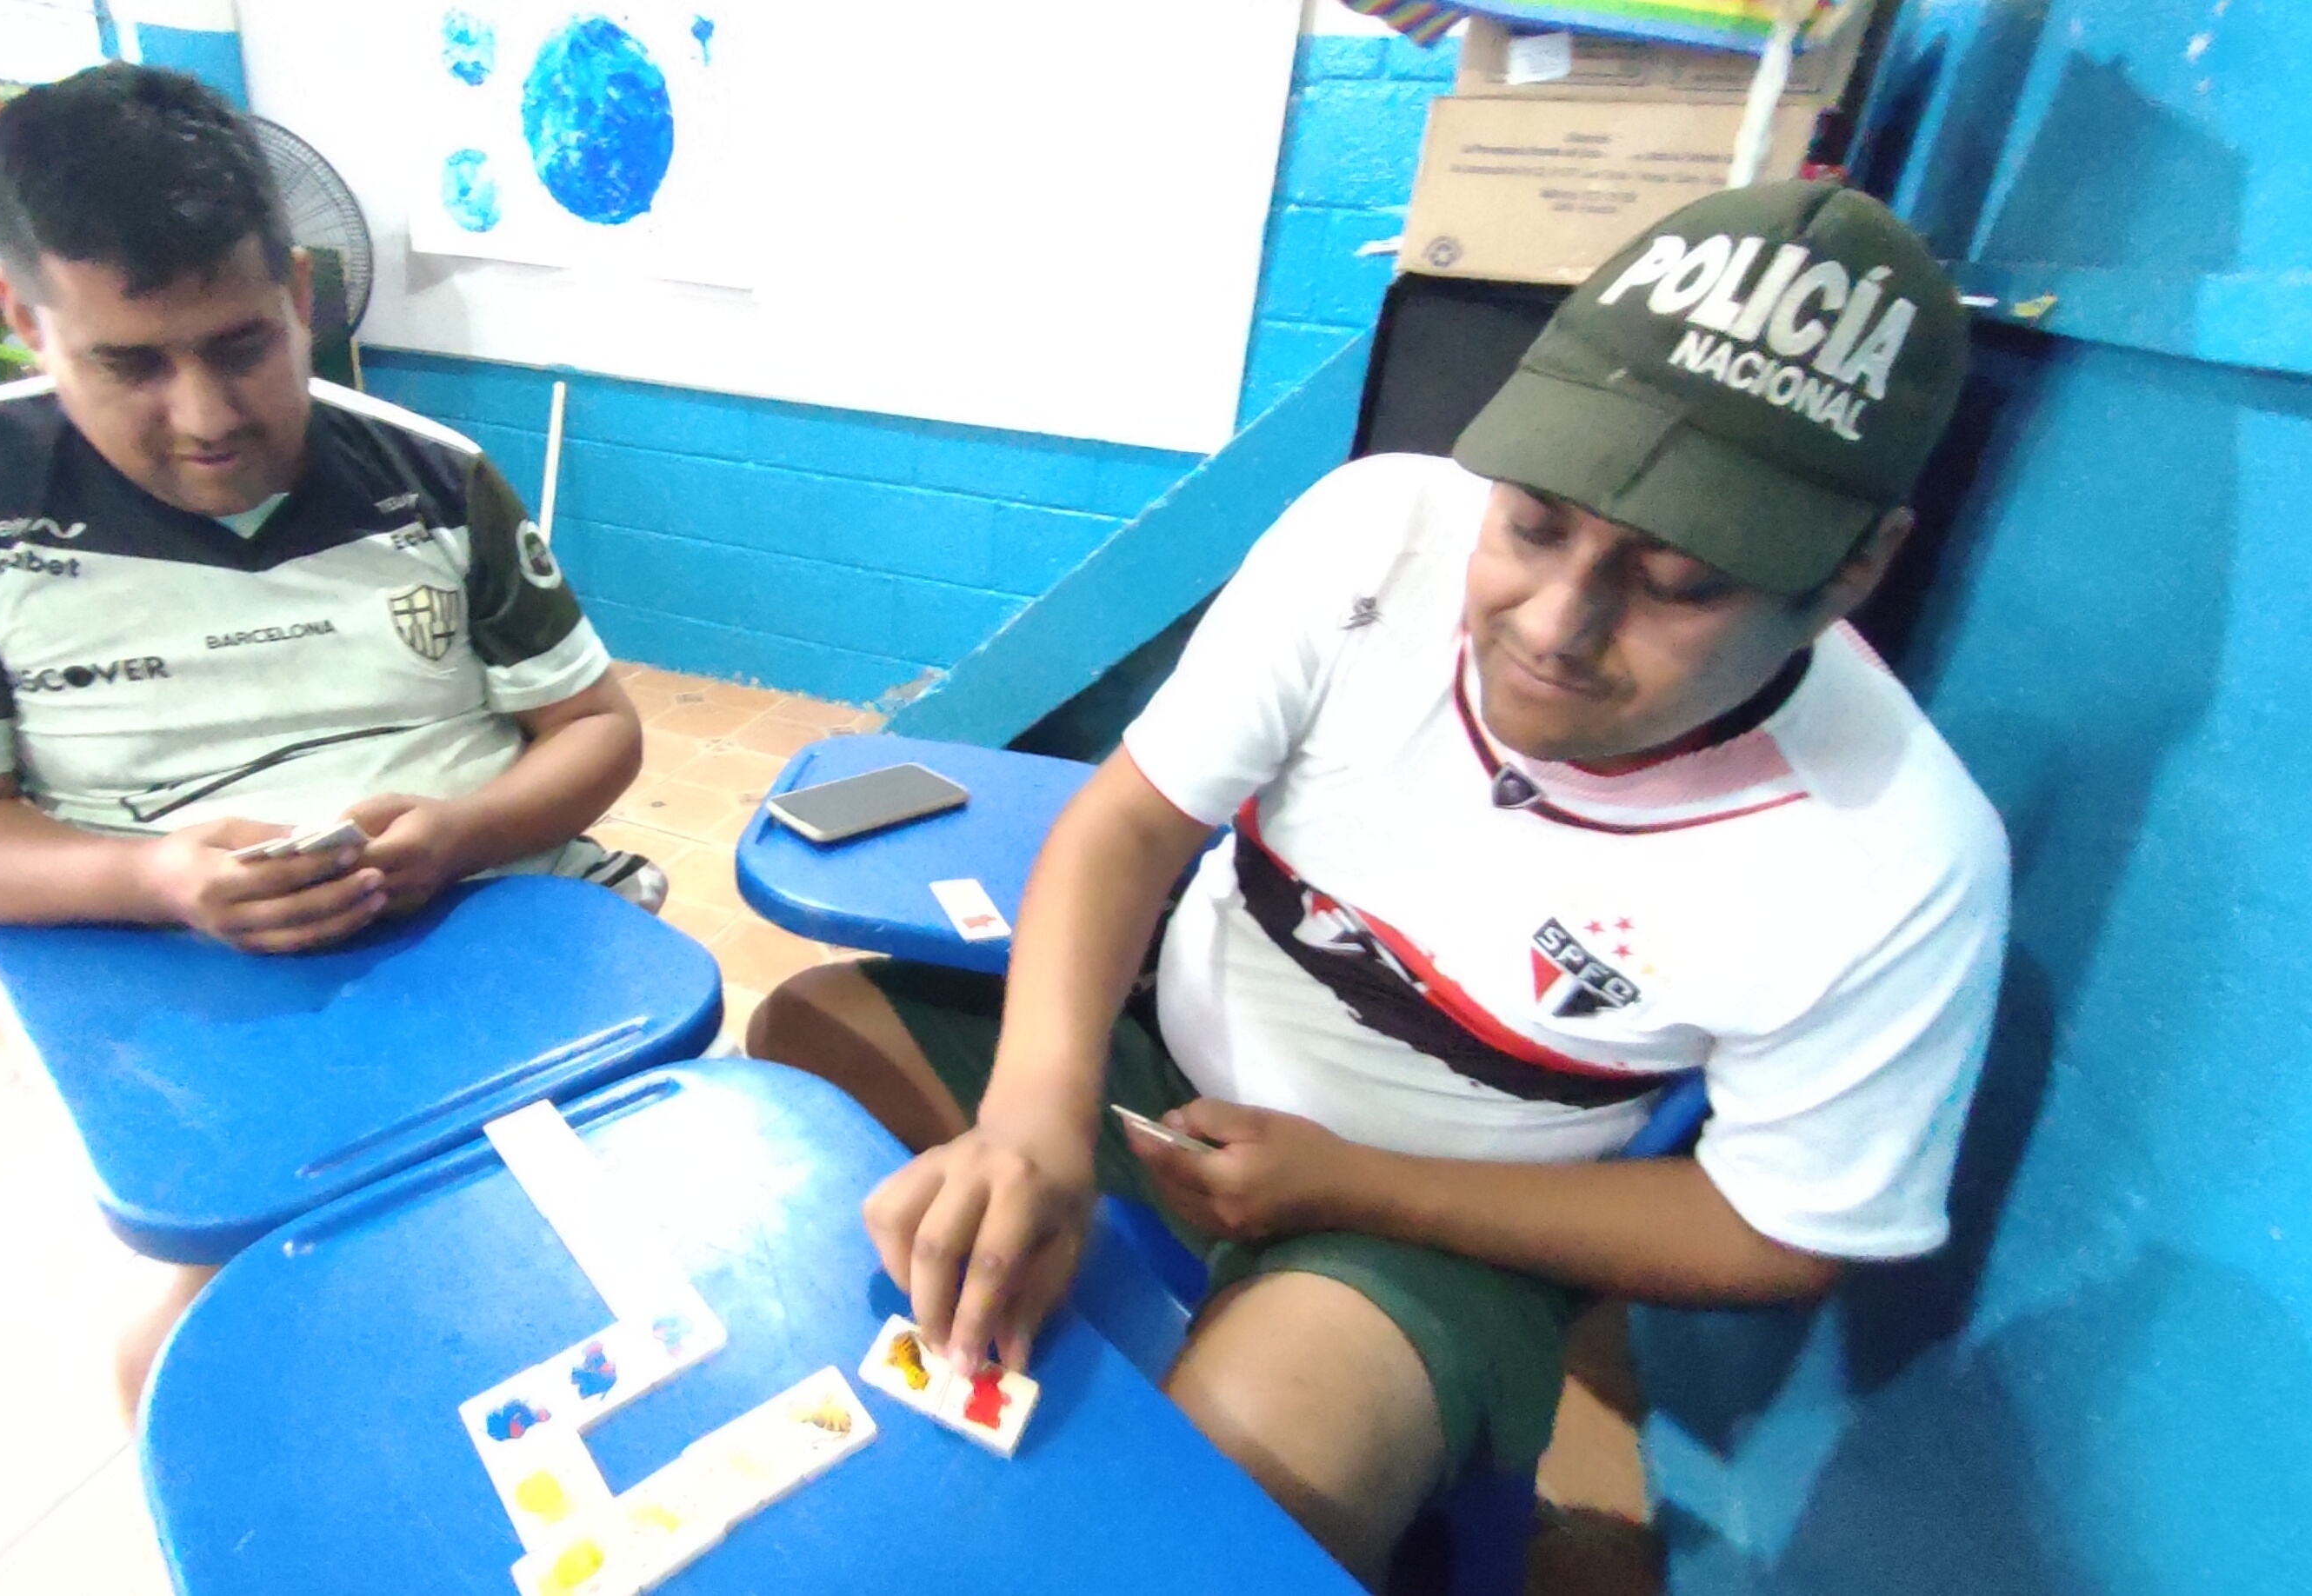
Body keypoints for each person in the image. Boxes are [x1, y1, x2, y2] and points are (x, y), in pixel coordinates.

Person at [749, 179, 2006, 1580]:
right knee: (805, 1051)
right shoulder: (1377, 533)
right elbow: (1129, 825)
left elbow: (1777, 1232)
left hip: (1448, 1220)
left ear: (1854, 568)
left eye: (1679, 584)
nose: (1556, 625)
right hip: (1160, 1073)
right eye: (1535, 522)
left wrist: (1361, 1189)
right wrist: (1035, 1112)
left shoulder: (1899, 858)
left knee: (1221, 1512)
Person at [0, 64, 657, 1422]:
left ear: (299, 295)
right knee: (199, 1374)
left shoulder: (434, 476)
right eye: (129, 363)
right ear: (18, 316)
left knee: (633, 1271)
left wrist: (467, 834)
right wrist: (156, 879)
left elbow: (595, 728)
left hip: (490, 932)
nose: (206, 417)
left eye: (244, 345)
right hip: (201, 994)